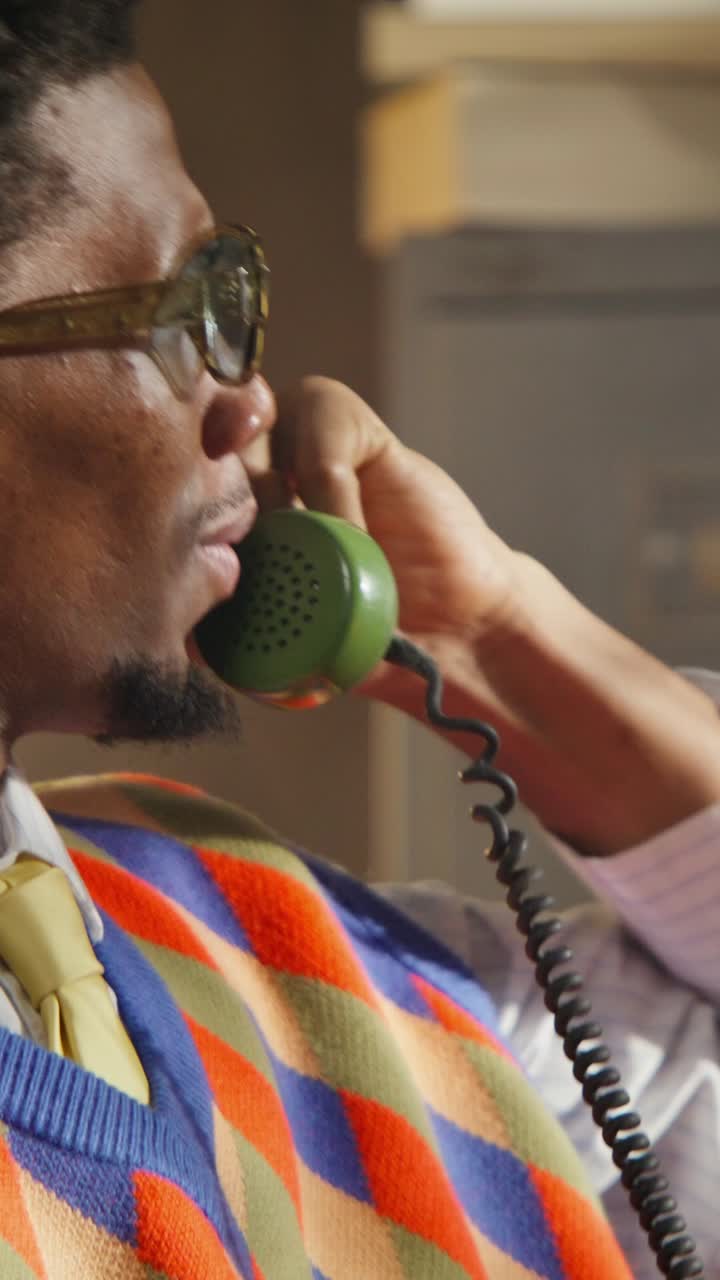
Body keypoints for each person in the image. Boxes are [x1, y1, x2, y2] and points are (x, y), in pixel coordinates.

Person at [0, 3, 717, 1278]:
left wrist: (492, 637)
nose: (250, 398)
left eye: (235, 294)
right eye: (180, 308)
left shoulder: (244, 925)